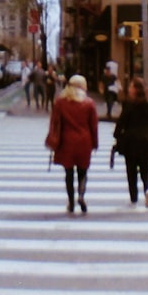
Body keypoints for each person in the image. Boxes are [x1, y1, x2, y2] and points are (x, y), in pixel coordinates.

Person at [48, 74, 98, 213]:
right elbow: (93, 126)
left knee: (68, 172)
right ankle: (81, 195)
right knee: (83, 171)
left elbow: (55, 122)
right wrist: (95, 143)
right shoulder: (89, 103)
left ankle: (70, 202)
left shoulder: (60, 102)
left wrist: (53, 139)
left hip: (66, 141)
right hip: (84, 141)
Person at [114, 76, 148, 207]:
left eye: (131, 86)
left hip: (131, 142)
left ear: (134, 89)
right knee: (146, 169)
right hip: (147, 142)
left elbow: (121, 124)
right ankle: (147, 189)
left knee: (131, 171)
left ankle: (134, 197)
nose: (129, 88)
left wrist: (117, 136)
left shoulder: (129, 105)